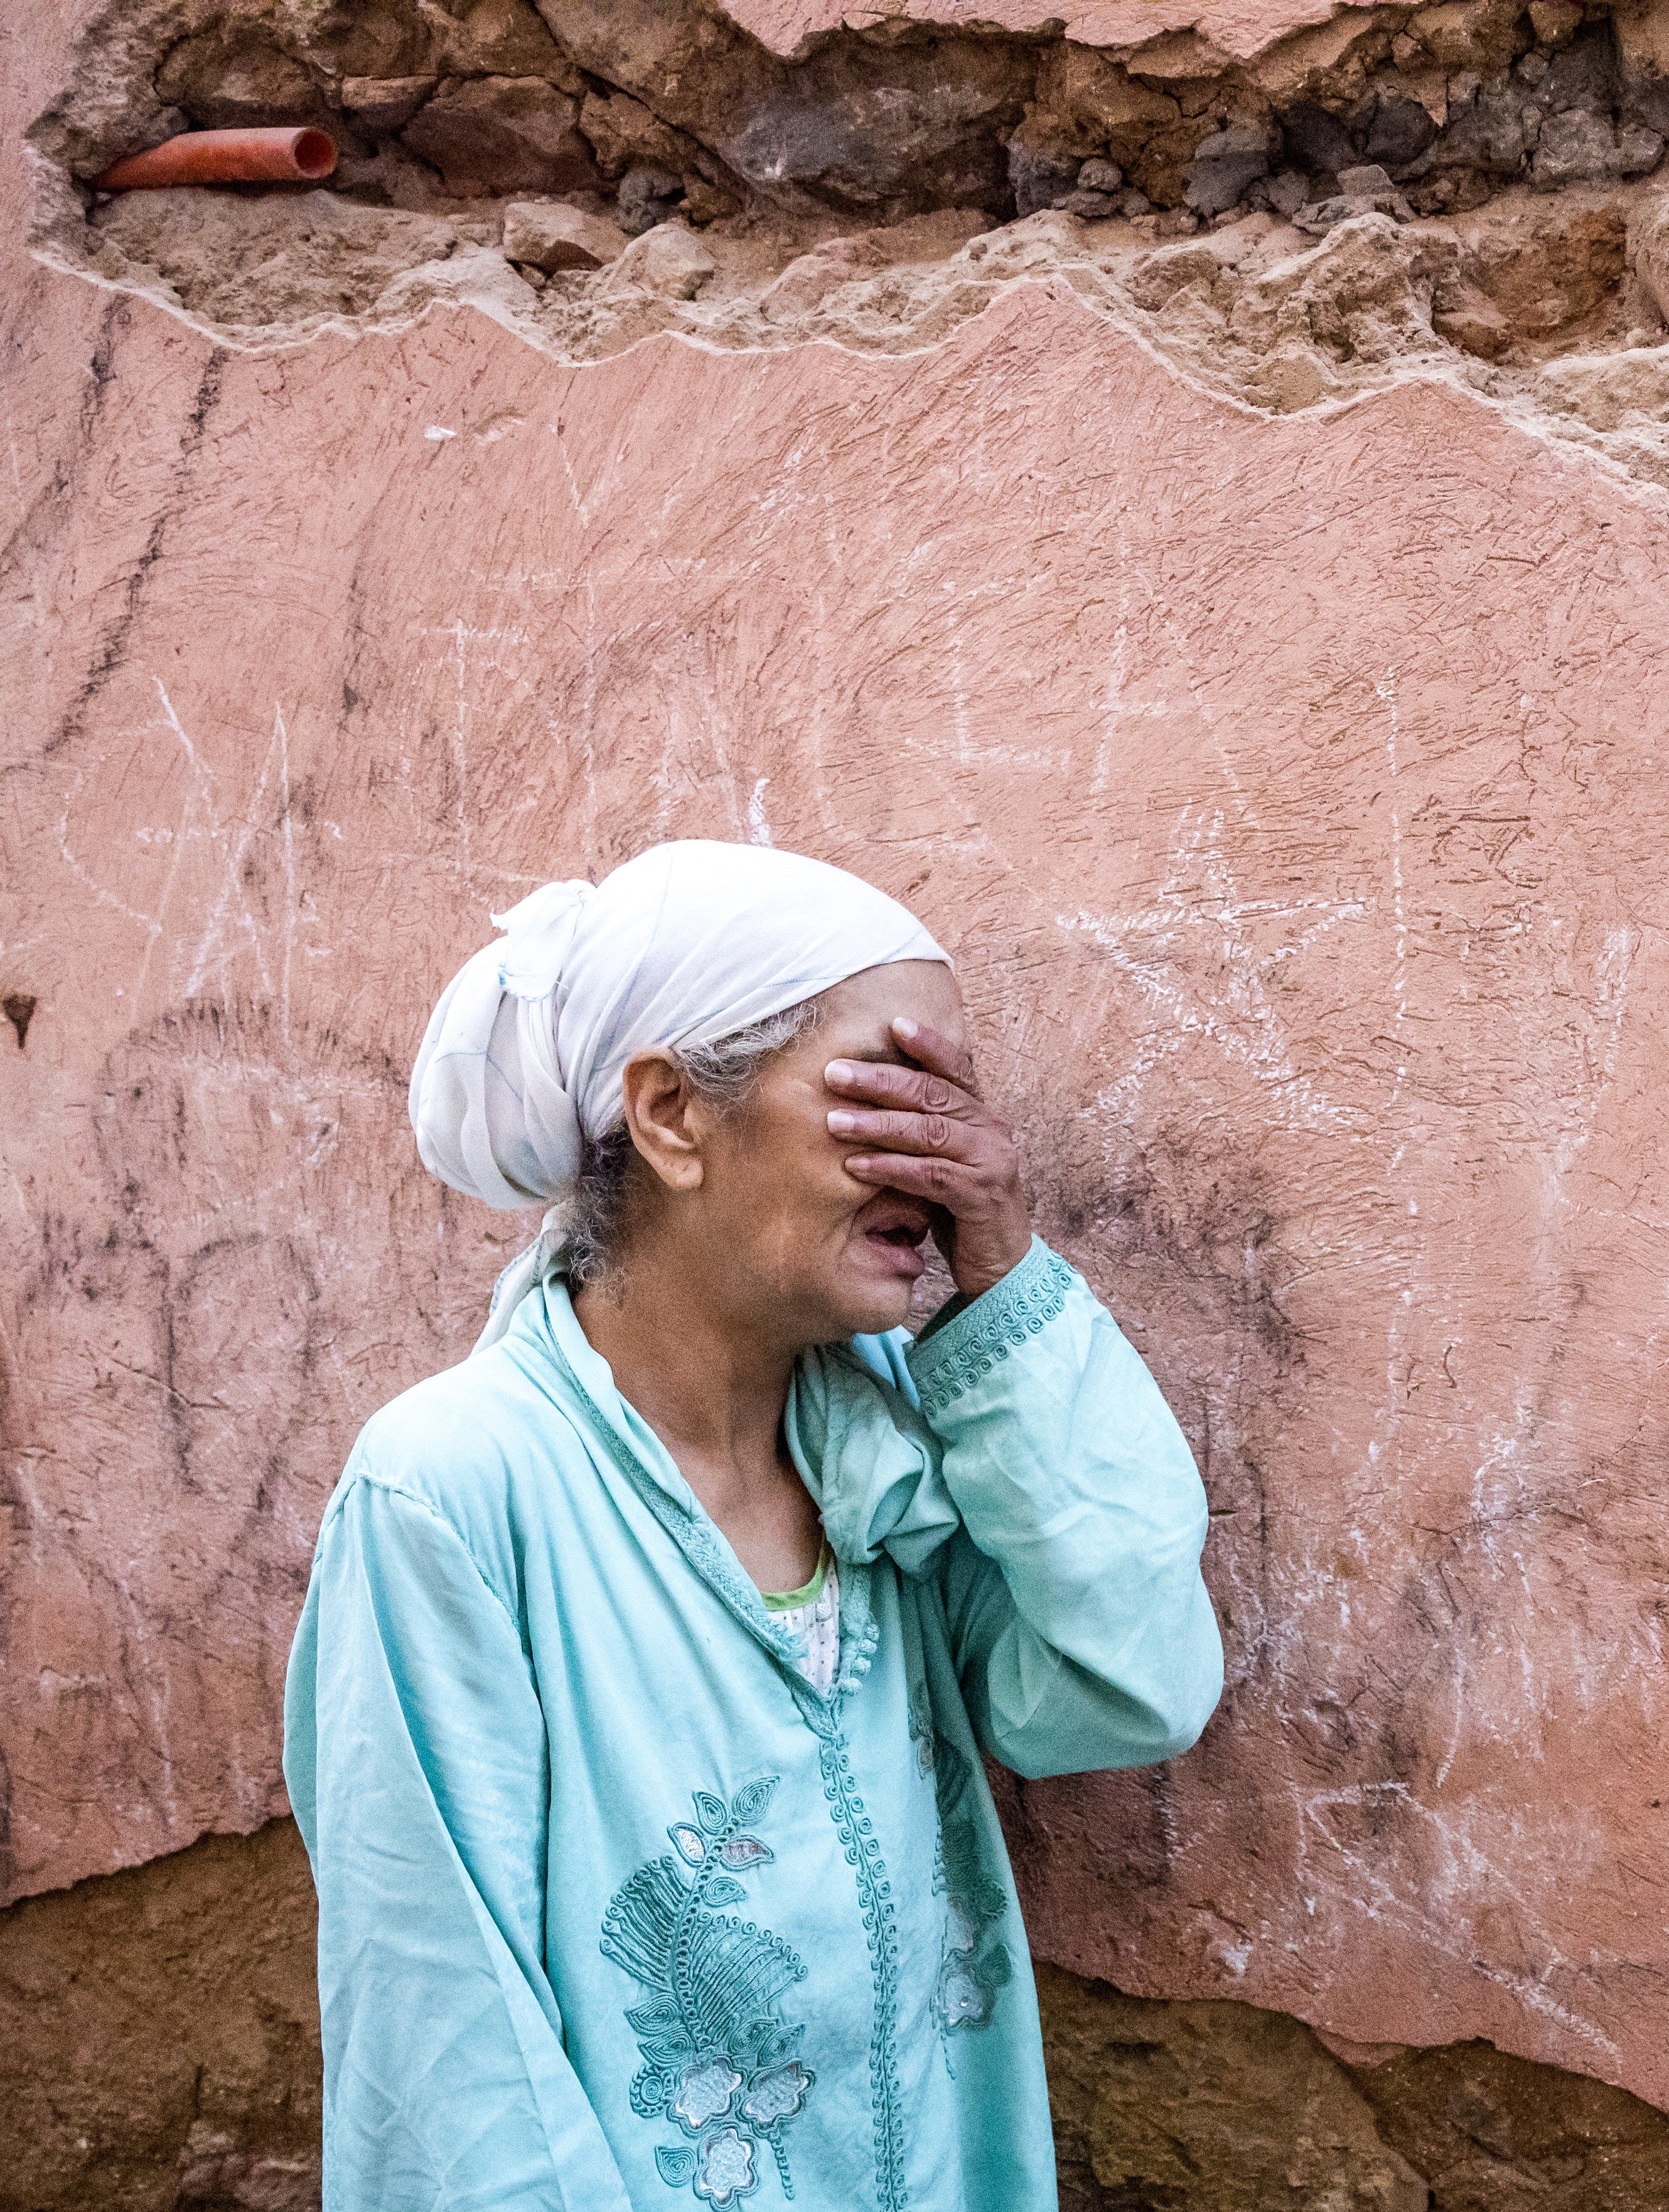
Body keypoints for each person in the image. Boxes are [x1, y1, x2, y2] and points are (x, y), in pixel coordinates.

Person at [282, 840, 1223, 2210]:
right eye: (888, 1093)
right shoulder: (452, 1491)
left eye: (959, 1102)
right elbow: (451, 2060)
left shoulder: (890, 1457)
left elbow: (1126, 1679)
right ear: (670, 1112)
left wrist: (1006, 1285)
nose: (946, 1159)